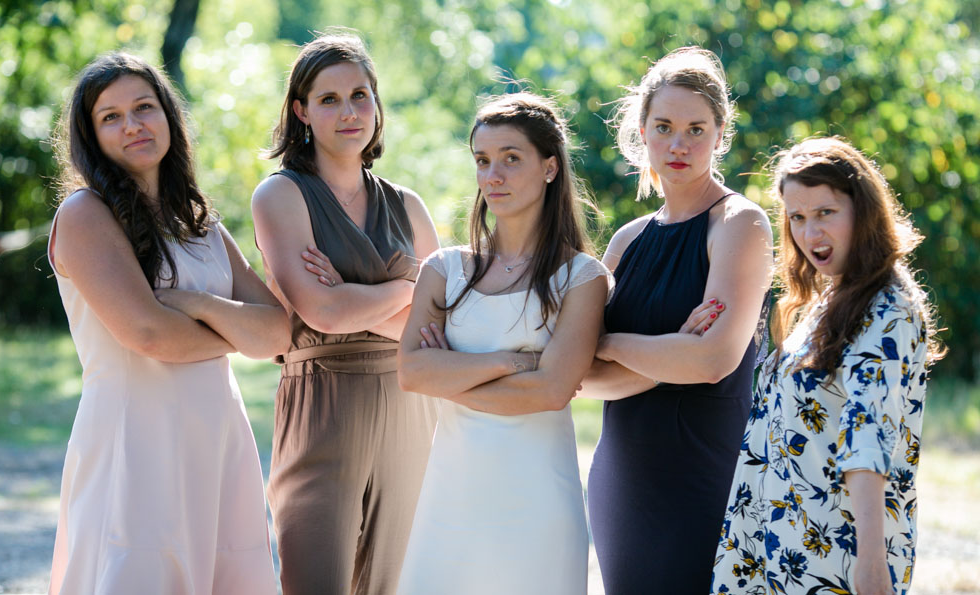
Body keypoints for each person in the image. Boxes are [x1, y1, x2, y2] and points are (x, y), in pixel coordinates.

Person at [47, 52, 288, 595]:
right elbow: (148, 335)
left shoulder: (199, 222)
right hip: (136, 439)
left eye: (144, 107)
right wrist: (235, 329)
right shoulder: (85, 214)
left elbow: (278, 333)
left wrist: (199, 306)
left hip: (217, 436)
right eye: (110, 117)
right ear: (91, 136)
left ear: (168, 118)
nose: (132, 125)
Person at [395, 92, 610, 594]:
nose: (493, 175)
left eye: (512, 159)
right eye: (483, 161)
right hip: (452, 494)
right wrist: (510, 361)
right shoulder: (443, 269)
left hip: (537, 501)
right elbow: (411, 372)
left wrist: (449, 373)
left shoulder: (582, 278)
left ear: (550, 167)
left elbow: (551, 392)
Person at [250, 32, 440, 595]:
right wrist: (407, 285)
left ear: (377, 105)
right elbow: (323, 311)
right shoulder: (280, 195)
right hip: (322, 404)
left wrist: (355, 301)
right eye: (328, 99)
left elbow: (440, 326)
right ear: (301, 111)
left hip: (410, 404)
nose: (349, 111)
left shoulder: (408, 204)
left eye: (360, 95)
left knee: (395, 582)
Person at [711, 137, 944, 595]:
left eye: (825, 213)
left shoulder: (887, 307)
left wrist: (872, 565)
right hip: (774, 540)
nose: (809, 233)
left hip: (831, 553)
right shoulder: (830, 298)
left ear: (863, 210)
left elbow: (867, 437)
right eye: (797, 217)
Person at [579, 46, 774, 593]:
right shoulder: (626, 240)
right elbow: (579, 371)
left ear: (720, 134)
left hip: (703, 475)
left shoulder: (740, 225)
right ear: (642, 131)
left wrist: (612, 343)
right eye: (664, 126)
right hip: (623, 479)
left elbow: (713, 360)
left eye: (696, 128)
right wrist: (668, 351)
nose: (679, 143)